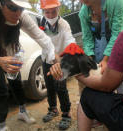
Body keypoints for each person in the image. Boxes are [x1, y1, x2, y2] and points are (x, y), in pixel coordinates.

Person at [48, 0, 123, 130]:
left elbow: (107, 85)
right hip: (106, 46)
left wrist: (76, 71)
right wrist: (90, 62)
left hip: (121, 45)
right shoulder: (83, 13)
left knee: (115, 86)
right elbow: (87, 38)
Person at [0, 0, 56, 131]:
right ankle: (2, 126)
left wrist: (52, 60)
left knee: (17, 83)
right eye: (12, 8)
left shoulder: (21, 16)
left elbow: (43, 38)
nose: (18, 13)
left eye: (21, 8)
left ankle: (23, 112)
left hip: (11, 51)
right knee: (0, 90)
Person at [39, 0, 76, 130]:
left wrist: (70, 50)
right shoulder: (41, 23)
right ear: (43, 11)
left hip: (61, 61)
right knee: (49, 86)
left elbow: (69, 40)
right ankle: (53, 109)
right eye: (47, 12)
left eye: (53, 11)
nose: (50, 15)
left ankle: (66, 113)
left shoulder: (64, 24)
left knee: (61, 87)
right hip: (46, 60)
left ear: (58, 9)